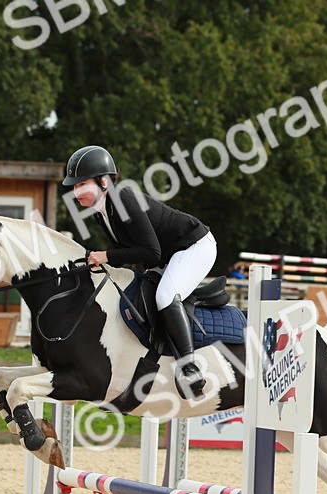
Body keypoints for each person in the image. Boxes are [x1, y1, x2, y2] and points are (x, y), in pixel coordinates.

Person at [64, 145, 216, 399]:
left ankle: (189, 367)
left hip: (194, 246)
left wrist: (107, 256)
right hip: (167, 256)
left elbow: (150, 252)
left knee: (166, 296)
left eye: (81, 185)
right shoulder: (102, 212)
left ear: (103, 182)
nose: (75, 191)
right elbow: (130, 252)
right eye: (73, 186)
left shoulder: (123, 199)